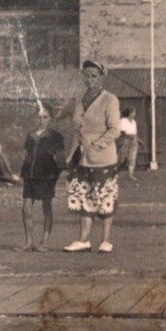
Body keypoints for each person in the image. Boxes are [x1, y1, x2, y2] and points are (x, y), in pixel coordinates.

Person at [62, 60, 122, 253]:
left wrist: (98, 145)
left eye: (94, 76)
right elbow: (77, 131)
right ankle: (83, 240)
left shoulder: (110, 100)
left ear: (101, 78)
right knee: (83, 196)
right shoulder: (80, 100)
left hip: (103, 157)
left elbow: (115, 130)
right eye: (86, 75)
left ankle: (106, 241)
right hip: (82, 158)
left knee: (104, 196)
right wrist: (71, 154)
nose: (90, 80)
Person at [19, 108, 66, 251]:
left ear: (50, 118)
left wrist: (54, 176)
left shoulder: (55, 136)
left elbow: (62, 160)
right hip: (30, 176)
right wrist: (23, 174)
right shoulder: (30, 135)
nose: (41, 120)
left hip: (46, 176)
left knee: (46, 207)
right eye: (39, 117)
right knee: (26, 208)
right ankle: (29, 243)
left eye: (45, 117)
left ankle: (44, 242)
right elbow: (27, 155)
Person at [116, 106, 139, 180]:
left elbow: (135, 133)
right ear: (129, 113)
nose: (134, 114)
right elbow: (122, 132)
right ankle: (114, 172)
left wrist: (138, 140)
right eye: (133, 112)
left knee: (132, 157)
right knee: (121, 158)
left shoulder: (134, 122)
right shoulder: (123, 121)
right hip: (125, 140)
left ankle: (131, 175)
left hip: (134, 141)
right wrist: (129, 137)